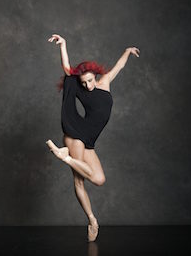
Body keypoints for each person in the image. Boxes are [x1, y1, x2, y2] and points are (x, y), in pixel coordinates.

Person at [46, 34, 140, 242]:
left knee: (98, 179)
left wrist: (126, 51)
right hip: (76, 135)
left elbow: (119, 66)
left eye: (90, 81)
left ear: (95, 76)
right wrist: (64, 45)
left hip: (89, 141)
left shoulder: (105, 81)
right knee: (79, 181)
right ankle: (92, 220)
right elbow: (67, 68)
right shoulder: (80, 86)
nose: (88, 86)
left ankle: (65, 157)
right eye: (84, 82)